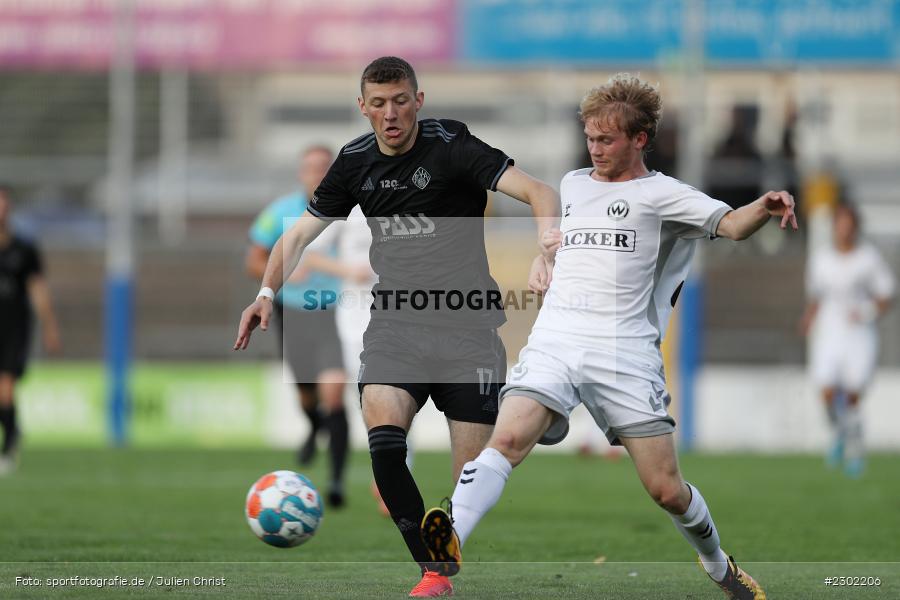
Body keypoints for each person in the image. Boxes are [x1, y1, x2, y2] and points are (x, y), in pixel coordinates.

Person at [422, 74, 799, 600]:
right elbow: (571, 246)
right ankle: (446, 551)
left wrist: (766, 204)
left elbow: (732, 226)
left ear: (640, 139)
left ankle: (719, 567)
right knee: (504, 440)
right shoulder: (574, 184)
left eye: (607, 140)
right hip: (556, 338)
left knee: (666, 490)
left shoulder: (662, 194)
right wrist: (544, 256)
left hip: (623, 355)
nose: (594, 149)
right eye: (590, 138)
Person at [234, 56, 559, 597]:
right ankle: (433, 572)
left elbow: (541, 192)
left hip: (468, 329)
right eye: (379, 104)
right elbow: (294, 238)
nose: (391, 114)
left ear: (419, 100)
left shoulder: (453, 145)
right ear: (363, 108)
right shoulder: (354, 162)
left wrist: (548, 244)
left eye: (401, 101)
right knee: (385, 447)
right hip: (395, 327)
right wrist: (266, 293)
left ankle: (529, 414)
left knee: (470, 483)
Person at [245, 146, 349, 507]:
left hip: (335, 312)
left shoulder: (352, 210)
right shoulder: (281, 212)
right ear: (300, 173)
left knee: (334, 392)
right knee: (307, 394)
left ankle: (336, 482)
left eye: (325, 167)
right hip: (293, 314)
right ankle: (313, 425)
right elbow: (254, 260)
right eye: (311, 168)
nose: (318, 174)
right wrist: (282, 275)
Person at [800, 203, 895, 477]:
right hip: (829, 332)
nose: (843, 230)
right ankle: (841, 432)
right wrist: (808, 319)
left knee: (853, 394)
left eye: (848, 224)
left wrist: (866, 311)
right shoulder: (821, 259)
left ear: (855, 227)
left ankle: (855, 451)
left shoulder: (868, 258)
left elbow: (887, 294)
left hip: (859, 334)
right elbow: (817, 296)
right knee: (827, 392)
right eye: (839, 224)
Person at [0, 188, 61, 474]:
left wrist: (49, 326)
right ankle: (14, 429)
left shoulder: (24, 250)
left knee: (6, 388)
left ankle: (9, 446)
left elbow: (37, 289)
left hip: (14, 328)